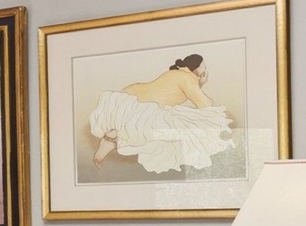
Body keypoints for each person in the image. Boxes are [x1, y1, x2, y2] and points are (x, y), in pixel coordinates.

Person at [87, 53, 235, 174]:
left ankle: (111, 138)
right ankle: (118, 135)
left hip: (124, 100)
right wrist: (201, 84)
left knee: (137, 125)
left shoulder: (174, 73)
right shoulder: (187, 77)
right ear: (197, 69)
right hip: (144, 111)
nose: (205, 72)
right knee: (194, 124)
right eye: (204, 69)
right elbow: (204, 104)